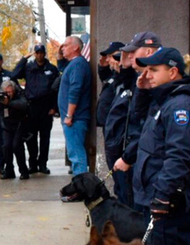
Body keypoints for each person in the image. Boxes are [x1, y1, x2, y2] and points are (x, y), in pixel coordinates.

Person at [132, 47, 190, 245]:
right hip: (156, 196)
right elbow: (138, 122)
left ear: (173, 72)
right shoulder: (165, 99)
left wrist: (162, 195)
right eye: (146, 69)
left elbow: (179, 155)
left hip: (169, 202)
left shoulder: (181, 105)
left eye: (154, 70)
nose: (147, 74)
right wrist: (142, 91)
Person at [112, 32, 164, 177]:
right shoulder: (141, 80)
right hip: (139, 159)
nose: (129, 56)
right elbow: (137, 115)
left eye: (133, 52)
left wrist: (128, 156)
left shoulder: (163, 85)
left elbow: (146, 128)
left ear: (148, 51)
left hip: (154, 167)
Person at [11, 44, 59, 174]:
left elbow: (57, 90)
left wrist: (55, 108)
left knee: (45, 138)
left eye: (41, 52)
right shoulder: (28, 67)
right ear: (35, 54)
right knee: (31, 138)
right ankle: (32, 164)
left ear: (44, 53)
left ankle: (42, 164)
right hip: (31, 107)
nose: (39, 55)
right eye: (37, 53)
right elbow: (13, 75)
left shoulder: (52, 69)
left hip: (46, 108)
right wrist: (24, 59)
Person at [103, 46, 138, 207]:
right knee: (120, 187)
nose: (112, 61)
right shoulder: (118, 81)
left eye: (116, 57)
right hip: (114, 144)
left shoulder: (134, 85)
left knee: (127, 189)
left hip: (124, 145)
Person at [58, 36, 92, 175]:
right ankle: (80, 185)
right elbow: (60, 65)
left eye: (66, 45)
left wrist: (69, 115)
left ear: (75, 47)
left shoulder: (78, 64)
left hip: (75, 119)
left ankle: (81, 187)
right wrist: (60, 54)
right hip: (73, 118)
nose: (62, 48)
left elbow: (75, 89)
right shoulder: (73, 64)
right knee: (75, 154)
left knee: (76, 155)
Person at [0, 80, 30, 179]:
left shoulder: (19, 94)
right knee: (6, 146)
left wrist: (9, 103)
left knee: (16, 146)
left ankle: (23, 170)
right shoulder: (1, 97)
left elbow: (23, 105)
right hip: (7, 125)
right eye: (6, 92)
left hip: (19, 124)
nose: (8, 94)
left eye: (10, 92)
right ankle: (9, 170)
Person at [96, 41, 124, 128]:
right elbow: (106, 79)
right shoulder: (113, 73)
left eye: (110, 56)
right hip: (107, 120)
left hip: (116, 122)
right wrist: (103, 67)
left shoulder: (124, 75)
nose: (107, 60)